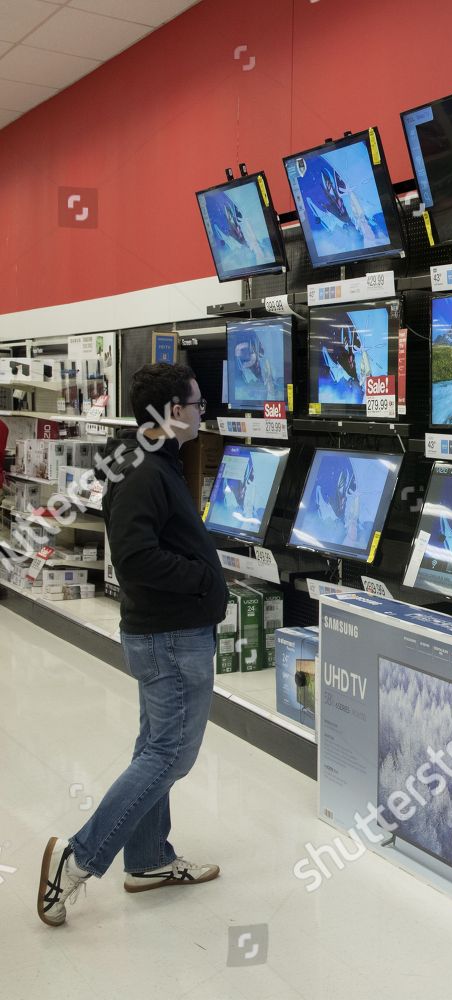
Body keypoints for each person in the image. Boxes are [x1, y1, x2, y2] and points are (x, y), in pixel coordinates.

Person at [38, 363, 229, 927]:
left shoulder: (146, 460)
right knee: (170, 753)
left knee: (155, 747)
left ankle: (147, 860)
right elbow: (137, 557)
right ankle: (75, 860)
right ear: (172, 412)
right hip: (171, 638)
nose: (201, 413)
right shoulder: (147, 470)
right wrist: (200, 577)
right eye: (195, 404)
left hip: (163, 634)